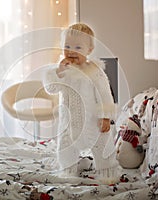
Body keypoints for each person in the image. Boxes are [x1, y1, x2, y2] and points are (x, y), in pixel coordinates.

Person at [43, 23, 118, 178]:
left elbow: (104, 94)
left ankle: (107, 172)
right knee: (65, 148)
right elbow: (51, 88)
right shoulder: (64, 71)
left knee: (102, 147)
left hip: (92, 122)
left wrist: (105, 117)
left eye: (78, 47)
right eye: (67, 46)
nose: (71, 51)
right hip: (68, 123)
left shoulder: (94, 71)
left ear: (89, 50)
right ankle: (68, 171)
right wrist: (58, 72)